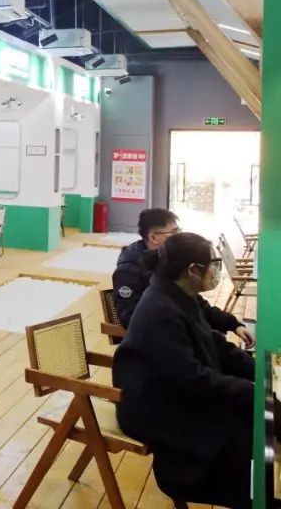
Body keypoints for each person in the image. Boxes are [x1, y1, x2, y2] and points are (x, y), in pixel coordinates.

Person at [113, 232, 253, 509]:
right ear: (192, 270)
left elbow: (214, 342)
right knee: (236, 429)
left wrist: (256, 371)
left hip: (174, 387)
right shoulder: (161, 308)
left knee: (249, 412)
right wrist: (249, 389)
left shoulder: (179, 293)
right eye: (213, 265)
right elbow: (191, 379)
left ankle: (253, 488)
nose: (215, 271)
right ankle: (245, 493)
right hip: (153, 407)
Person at [112, 208, 253, 348]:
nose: (178, 236)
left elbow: (195, 303)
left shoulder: (167, 260)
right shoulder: (128, 271)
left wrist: (233, 324)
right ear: (153, 238)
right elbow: (130, 318)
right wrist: (186, 330)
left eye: (178, 231)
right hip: (153, 345)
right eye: (173, 232)